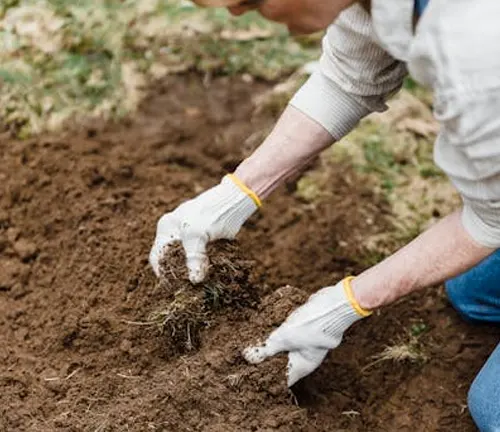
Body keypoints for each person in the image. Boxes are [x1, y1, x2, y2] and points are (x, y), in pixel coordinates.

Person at [149, 0, 500, 430]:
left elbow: (491, 221)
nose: (238, 12)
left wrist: (346, 303)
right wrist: (235, 194)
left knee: (492, 409)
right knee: (473, 295)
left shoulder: (479, 55)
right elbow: (349, 78)